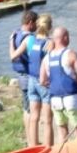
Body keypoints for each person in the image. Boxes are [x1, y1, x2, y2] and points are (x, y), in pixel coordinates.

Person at [10, 13, 54, 145]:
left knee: (34, 117)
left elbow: (13, 55)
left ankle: (32, 147)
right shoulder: (50, 44)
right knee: (47, 121)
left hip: (32, 82)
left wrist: (11, 41)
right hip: (45, 84)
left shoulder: (29, 40)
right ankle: (49, 151)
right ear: (50, 27)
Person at [40, 26, 77, 141]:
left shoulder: (46, 58)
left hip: (55, 100)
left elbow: (42, 81)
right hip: (71, 99)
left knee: (62, 132)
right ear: (65, 38)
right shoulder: (72, 55)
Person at [8, 10, 37, 143]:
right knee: (31, 110)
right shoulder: (29, 38)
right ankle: (32, 141)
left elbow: (12, 55)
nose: (36, 27)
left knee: (26, 109)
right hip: (27, 76)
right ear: (30, 23)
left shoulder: (15, 34)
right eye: (35, 23)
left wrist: (10, 43)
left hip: (20, 75)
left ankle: (29, 137)